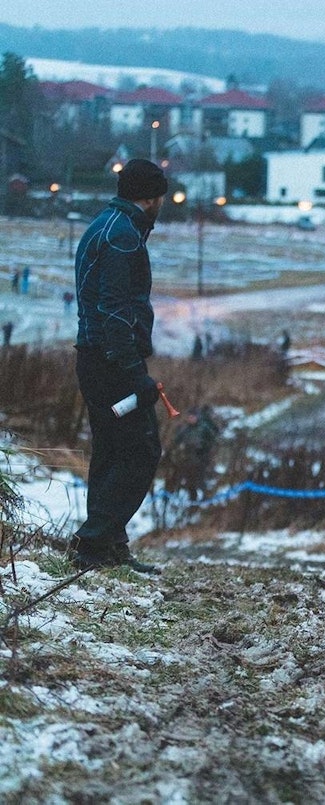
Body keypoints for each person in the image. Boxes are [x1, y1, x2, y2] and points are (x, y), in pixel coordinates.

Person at [70, 158, 170, 573]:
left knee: (111, 450)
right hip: (111, 363)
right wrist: (134, 373)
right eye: (161, 196)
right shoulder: (123, 236)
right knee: (141, 450)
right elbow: (114, 311)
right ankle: (92, 540)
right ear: (150, 197)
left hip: (96, 358)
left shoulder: (107, 224)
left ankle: (108, 546)